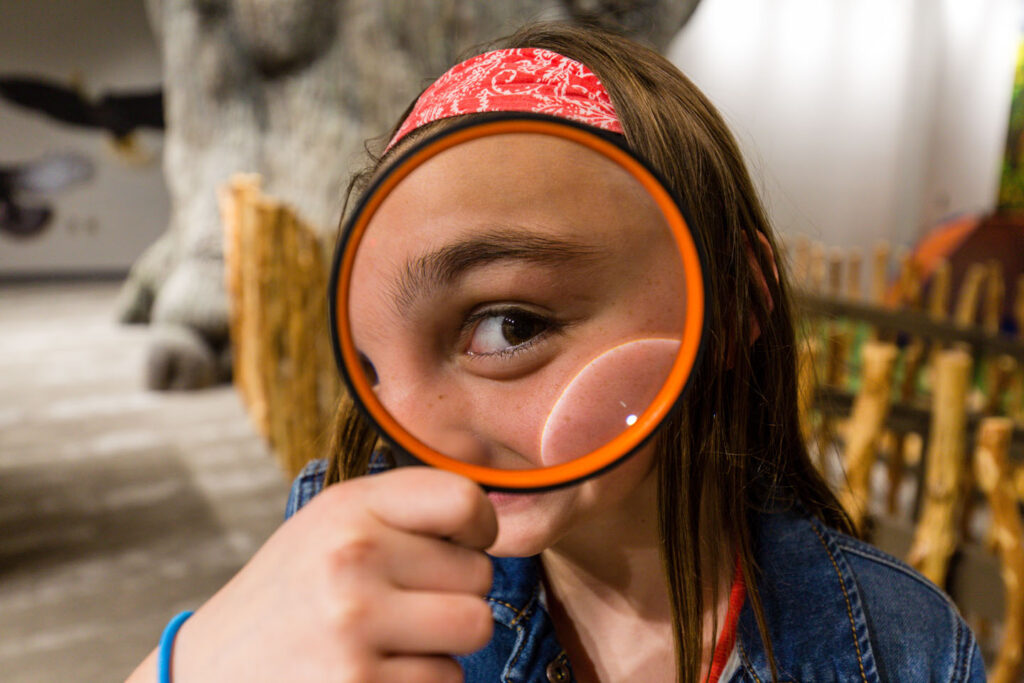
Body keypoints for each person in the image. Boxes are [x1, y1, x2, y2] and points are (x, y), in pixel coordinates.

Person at [129, 22, 985, 683]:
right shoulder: (350, 565)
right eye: (377, 367)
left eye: (509, 326)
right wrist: (197, 660)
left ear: (734, 307)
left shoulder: (900, 643)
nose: (414, 439)